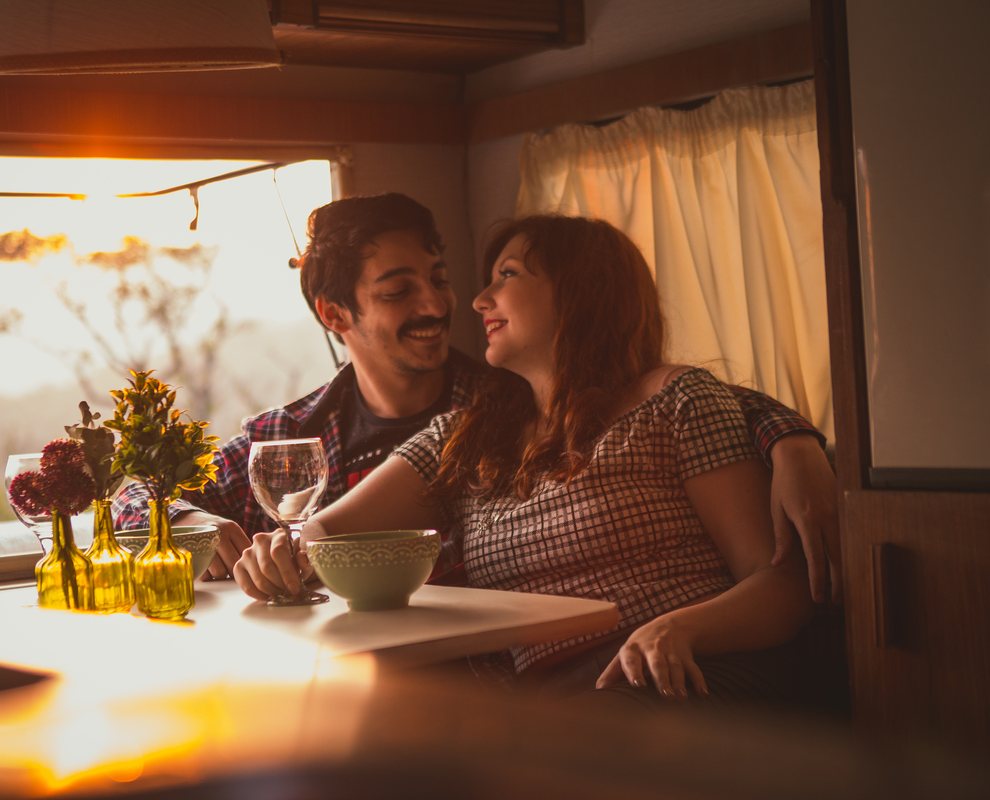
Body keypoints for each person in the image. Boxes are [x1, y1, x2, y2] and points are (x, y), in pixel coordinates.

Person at [114, 194, 841, 603]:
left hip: (470, 680)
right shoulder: (288, 432)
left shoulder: (503, 400)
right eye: (400, 292)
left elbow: (677, 401)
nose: (438, 304)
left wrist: (789, 434)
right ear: (336, 315)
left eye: (438, 278)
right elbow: (132, 499)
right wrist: (189, 523)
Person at [234, 215, 816, 702]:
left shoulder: (678, 401)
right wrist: (279, 553)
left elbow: (781, 585)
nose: (478, 300)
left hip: (674, 677)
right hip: (545, 703)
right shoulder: (465, 435)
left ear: (580, 290)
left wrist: (679, 628)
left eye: (506, 277)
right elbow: (325, 531)